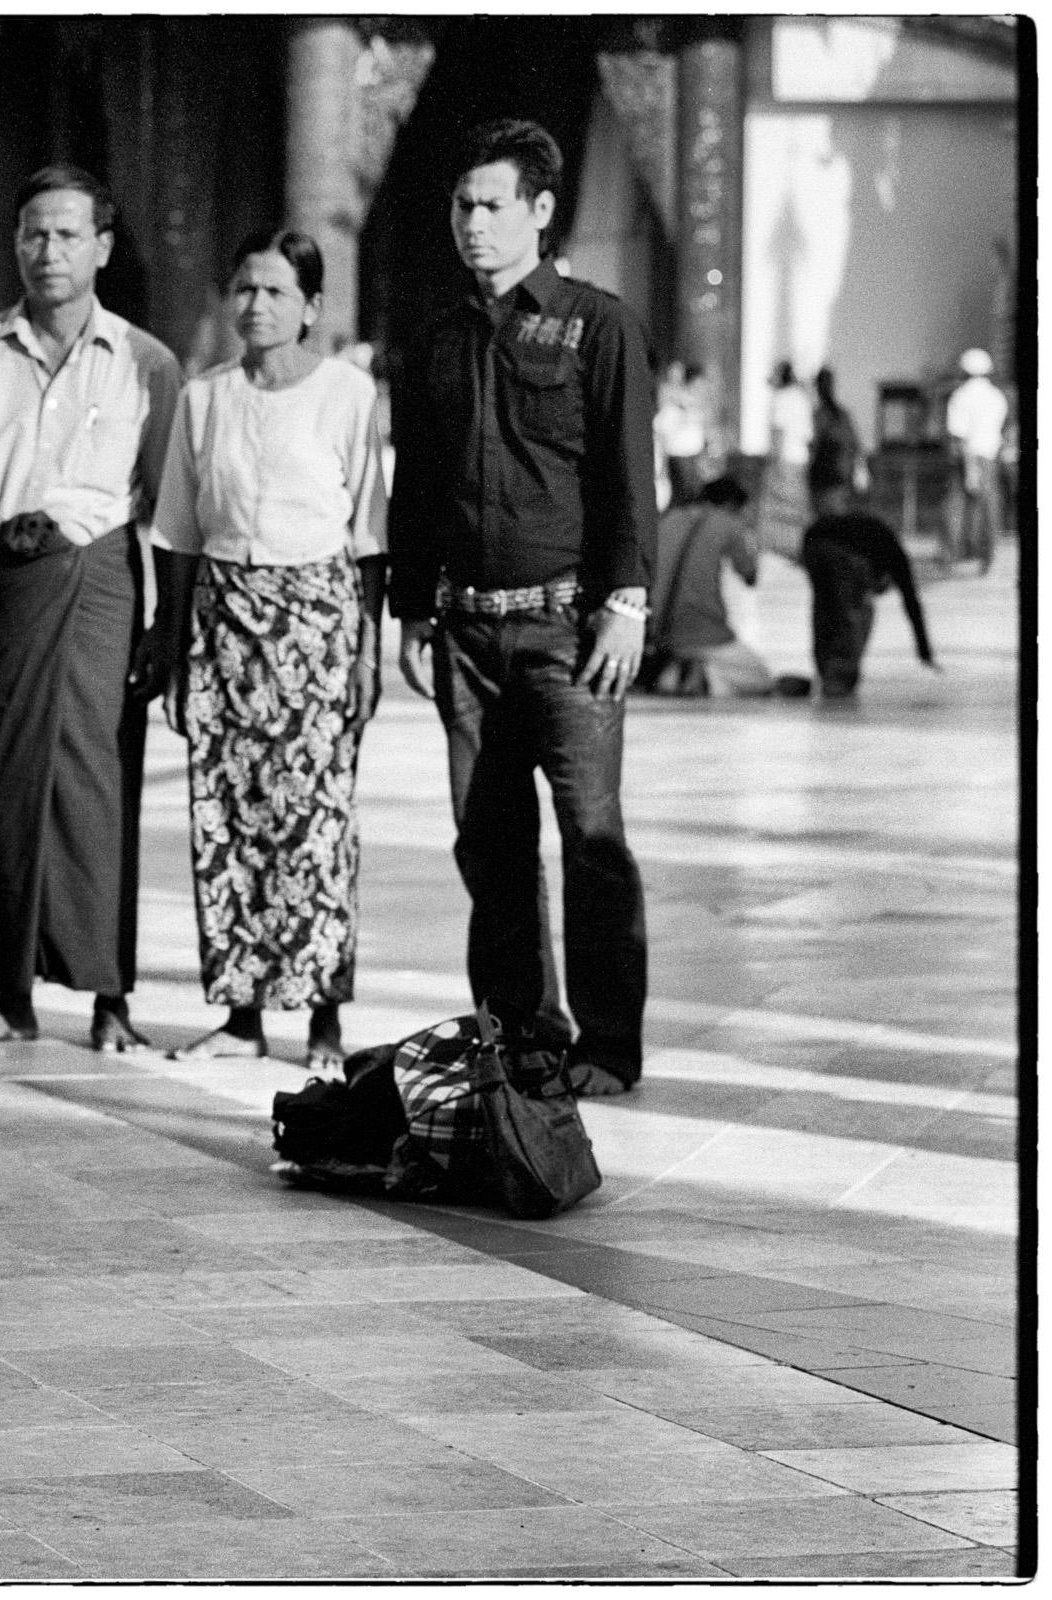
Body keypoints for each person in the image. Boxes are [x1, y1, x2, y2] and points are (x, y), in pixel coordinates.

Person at [389, 119, 657, 1098]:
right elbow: (415, 487)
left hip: (567, 630)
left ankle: (606, 1045)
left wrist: (625, 605)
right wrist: (411, 607)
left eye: (492, 205)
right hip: (464, 633)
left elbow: (631, 477)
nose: (472, 223)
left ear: (540, 212)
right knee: (488, 844)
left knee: (590, 837)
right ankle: (519, 1031)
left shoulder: (598, 325)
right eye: (461, 205)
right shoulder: (436, 341)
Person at [0, 164, 182, 1052]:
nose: (49, 251)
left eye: (68, 234)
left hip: (102, 582)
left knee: (101, 787)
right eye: (34, 233)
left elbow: (170, 510)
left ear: (103, 247)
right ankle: (14, 994)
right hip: (9, 582)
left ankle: (110, 999)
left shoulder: (147, 362)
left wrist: (168, 626)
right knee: (12, 783)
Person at [150, 228, 386, 1072]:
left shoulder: (348, 396)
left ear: (312, 308)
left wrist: (363, 654)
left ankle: (323, 1019)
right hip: (222, 621)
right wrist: (176, 649)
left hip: (315, 625)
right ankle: (242, 1014)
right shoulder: (204, 399)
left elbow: (368, 538)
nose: (256, 306)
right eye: (245, 289)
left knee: (315, 826)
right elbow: (176, 531)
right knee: (227, 819)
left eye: (277, 293)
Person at [643, 476, 771, 697]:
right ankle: (703, 677)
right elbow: (750, 576)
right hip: (704, 631)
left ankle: (675, 672)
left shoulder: (668, 518)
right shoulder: (729, 523)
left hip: (656, 630)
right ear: (733, 505)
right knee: (761, 677)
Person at [800, 503, 937, 698]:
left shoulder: (879, 541)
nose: (878, 591)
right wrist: (925, 651)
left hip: (812, 542)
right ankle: (839, 674)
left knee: (825, 607)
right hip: (840, 551)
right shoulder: (895, 558)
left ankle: (825, 668)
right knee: (855, 610)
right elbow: (912, 603)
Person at [944, 348, 1009, 571]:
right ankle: (986, 556)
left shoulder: (961, 396)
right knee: (988, 507)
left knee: (956, 506)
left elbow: (960, 436)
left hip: (968, 456)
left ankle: (954, 554)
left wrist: (971, 470)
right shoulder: (996, 396)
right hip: (990, 456)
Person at [756, 360, 815, 554]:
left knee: (777, 507)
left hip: (785, 458)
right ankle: (802, 545)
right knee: (798, 505)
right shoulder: (801, 397)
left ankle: (776, 548)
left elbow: (778, 432)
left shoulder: (781, 398)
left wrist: (773, 461)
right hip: (801, 458)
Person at [652, 360, 712, 510]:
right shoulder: (674, 407)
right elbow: (661, 430)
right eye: (699, 384)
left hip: (694, 456)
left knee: (696, 497)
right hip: (679, 457)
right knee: (684, 499)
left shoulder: (697, 407)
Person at [807, 367, 865, 514]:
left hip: (821, 480)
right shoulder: (843, 416)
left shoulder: (818, 416)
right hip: (841, 478)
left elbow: (812, 448)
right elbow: (855, 446)